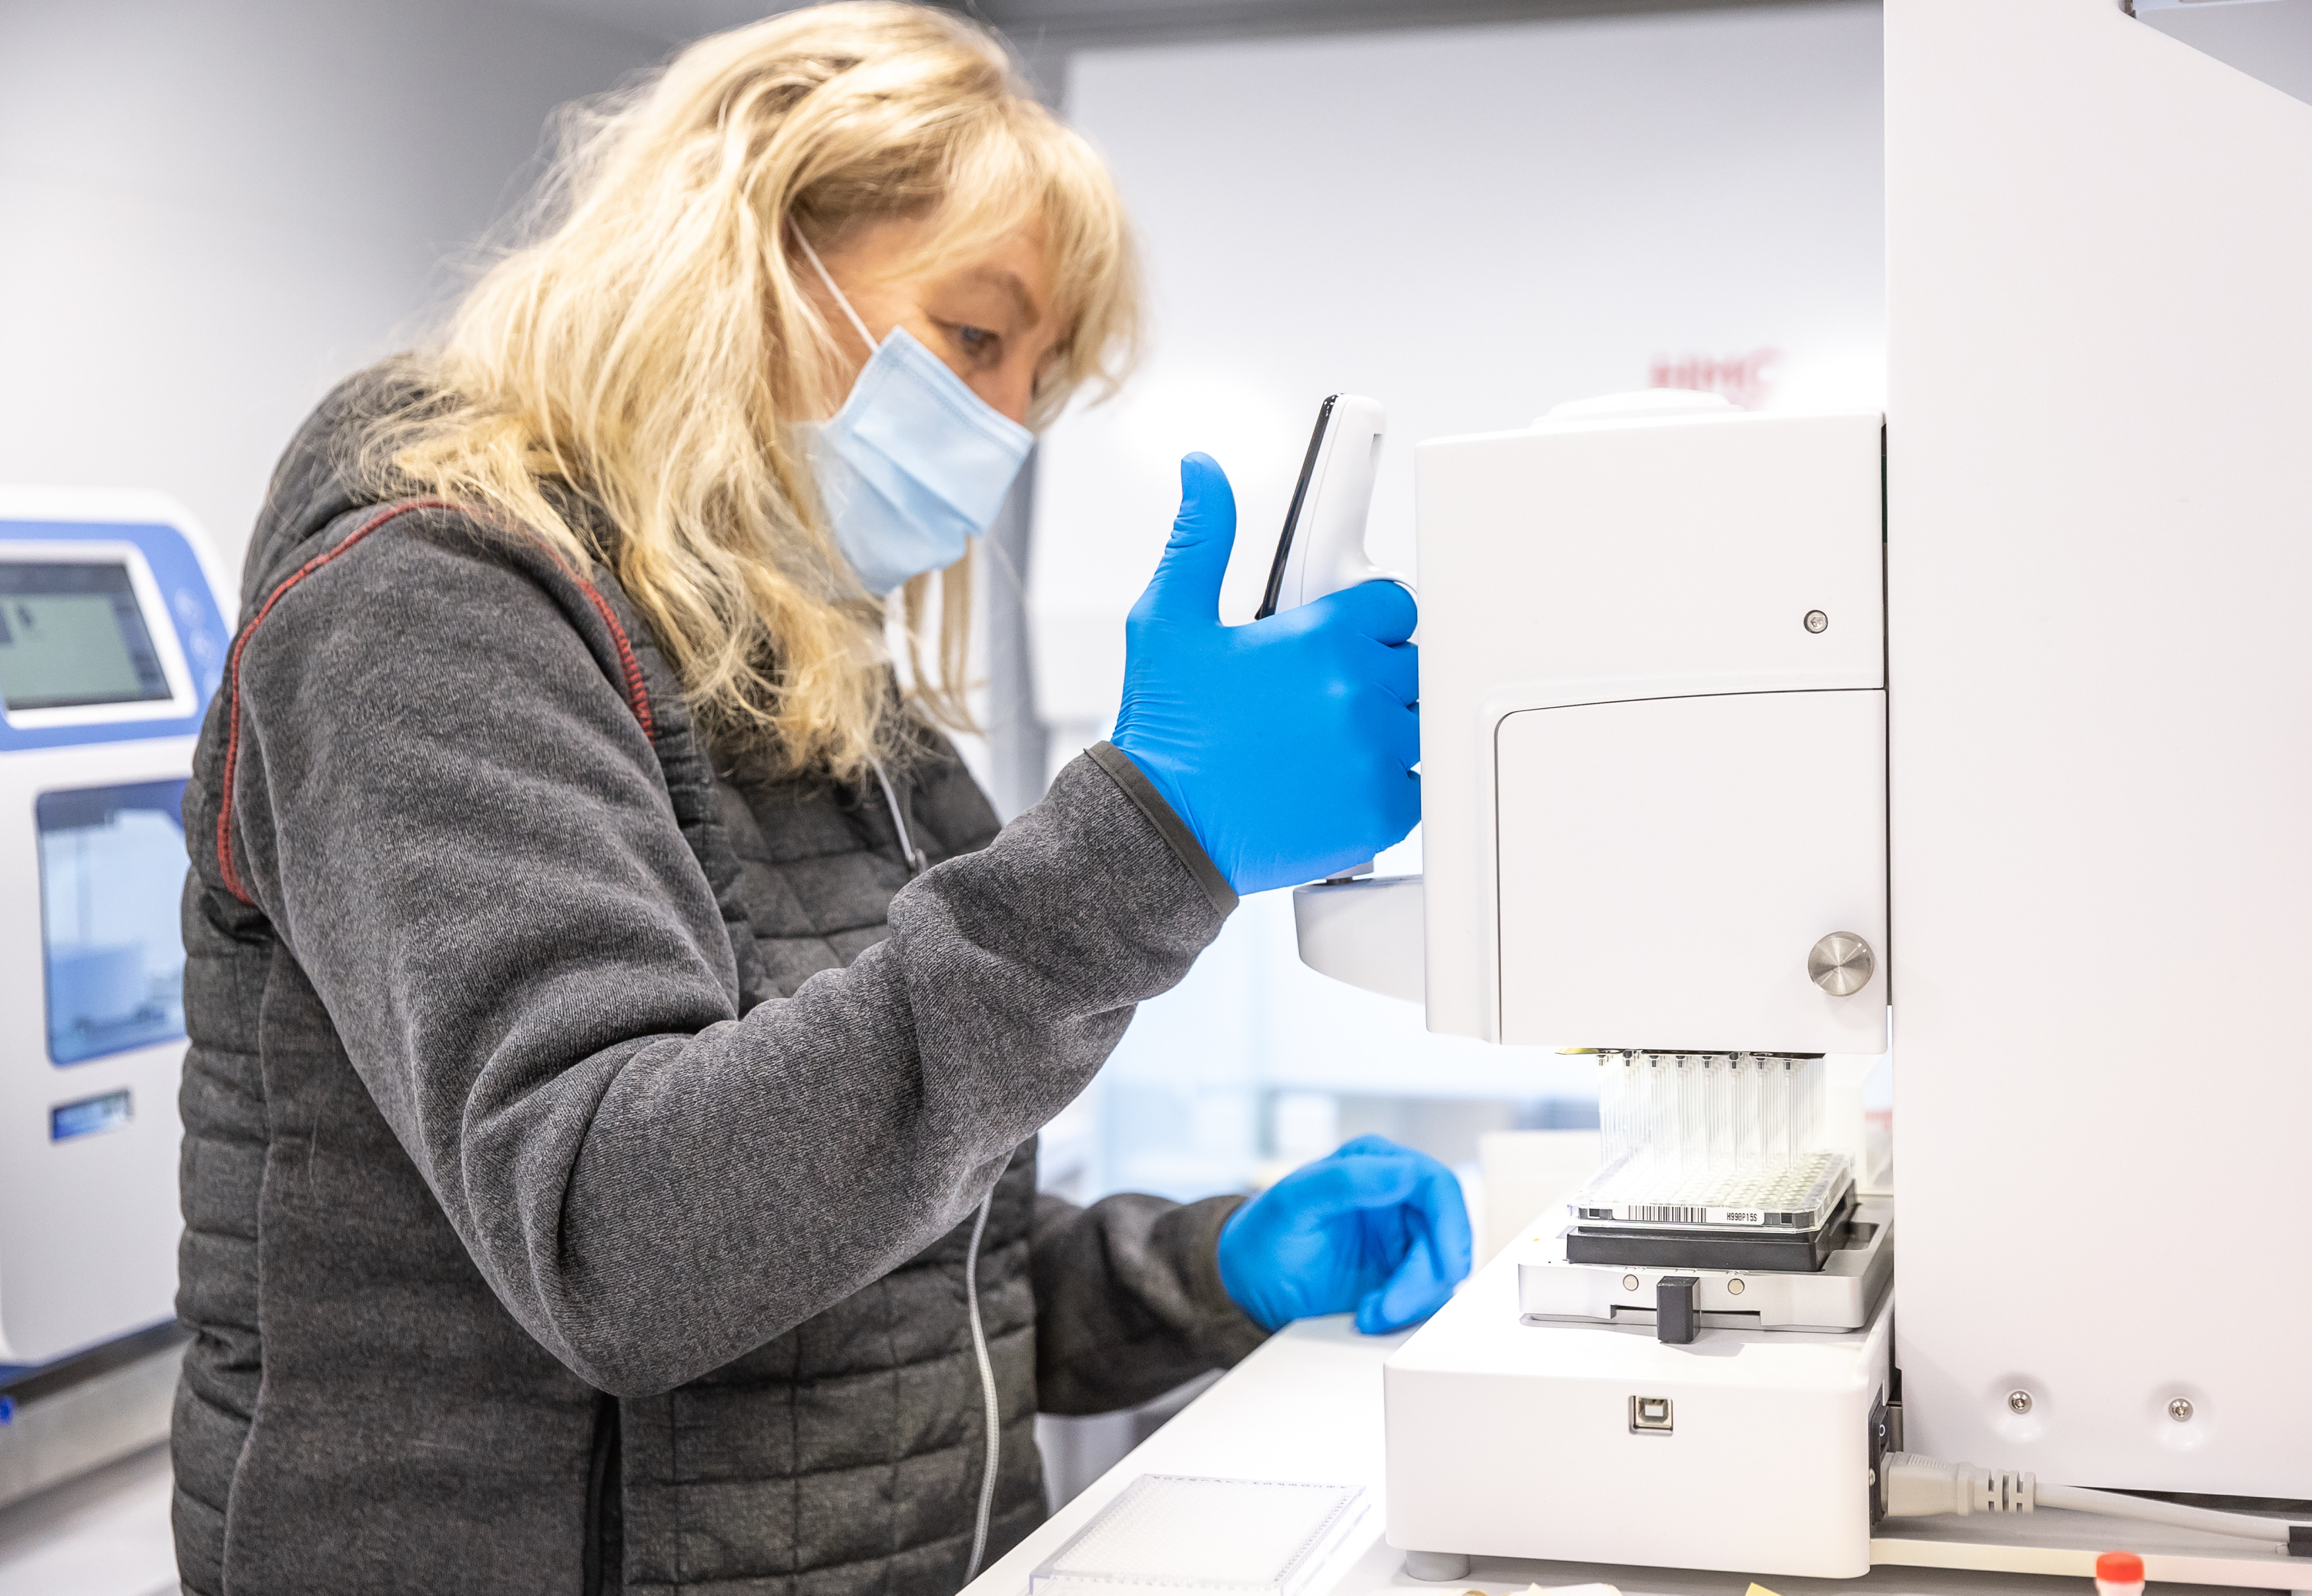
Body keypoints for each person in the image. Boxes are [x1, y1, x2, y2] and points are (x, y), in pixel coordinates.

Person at [170, 6, 1468, 1594]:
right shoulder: (427, 608)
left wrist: (1205, 1269)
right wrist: (1151, 841)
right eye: (977, 337)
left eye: (1036, 382)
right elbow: (624, 1239)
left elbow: (894, 1258)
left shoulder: (821, 682)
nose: (1001, 424)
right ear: (745, 248)